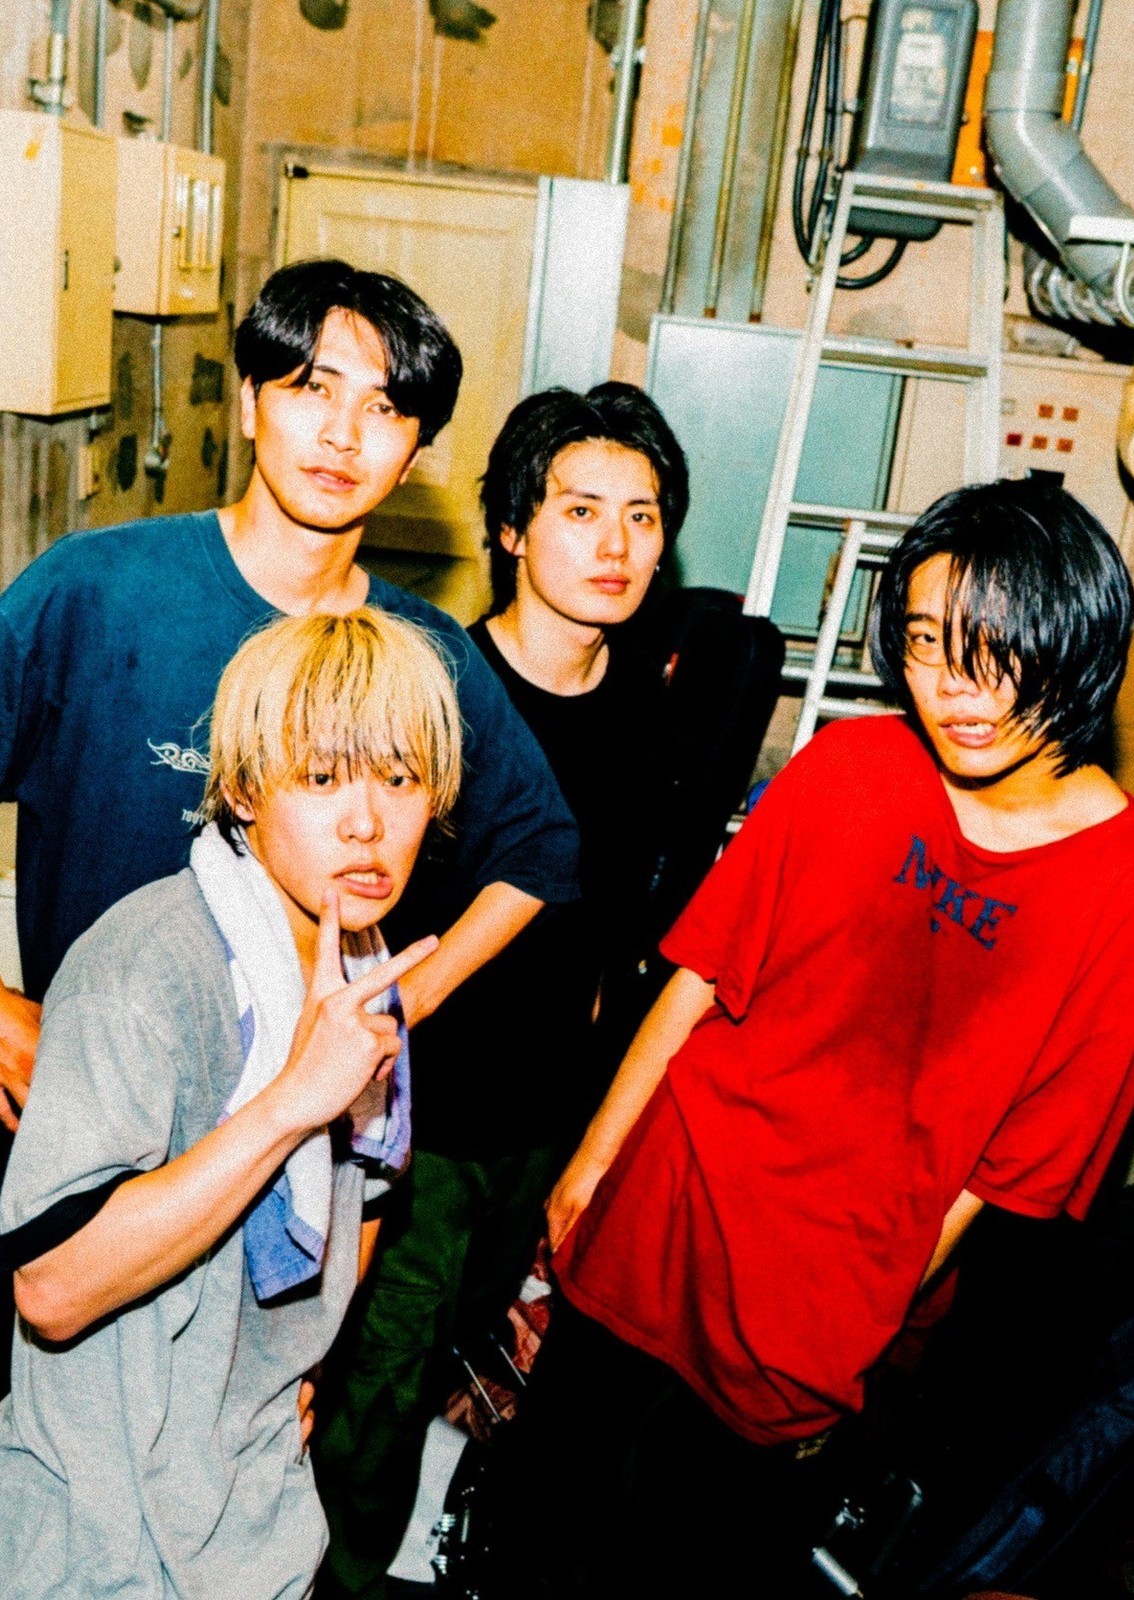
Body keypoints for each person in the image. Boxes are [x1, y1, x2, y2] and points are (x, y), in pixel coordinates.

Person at [489, 478, 1134, 1598]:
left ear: (1076, 640)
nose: (954, 686)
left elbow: (1005, 1177)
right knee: (539, 1518)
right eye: (925, 640)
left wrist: (866, 1316)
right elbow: (697, 980)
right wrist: (588, 1169)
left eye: (995, 647)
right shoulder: (851, 766)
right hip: (663, 1197)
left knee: (684, 1566)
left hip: (818, 1300)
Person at [0, 258, 578, 1133]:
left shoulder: (423, 654)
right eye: (313, 388)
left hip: (307, 1119)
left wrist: (404, 1001)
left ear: (415, 454)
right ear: (251, 402)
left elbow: (540, 846)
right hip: (104, 1105)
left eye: (384, 409)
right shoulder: (99, 590)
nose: (343, 435)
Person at [0, 607, 462, 1599]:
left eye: (399, 778)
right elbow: (50, 1289)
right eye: (323, 778)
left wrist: (303, 1368)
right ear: (244, 790)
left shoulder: (364, 969)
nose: (367, 821)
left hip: (255, 1518)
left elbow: (371, 1191)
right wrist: (290, 1103)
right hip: (96, 1541)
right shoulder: (145, 970)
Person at [312, 384, 688, 1600]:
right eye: (580, 510)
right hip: (414, 1120)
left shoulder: (650, 706)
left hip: (542, 1119)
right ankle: (335, 1578)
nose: (615, 544)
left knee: (452, 1349)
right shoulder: (433, 689)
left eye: (641, 516)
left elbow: (619, 928)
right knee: (376, 1378)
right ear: (514, 530)